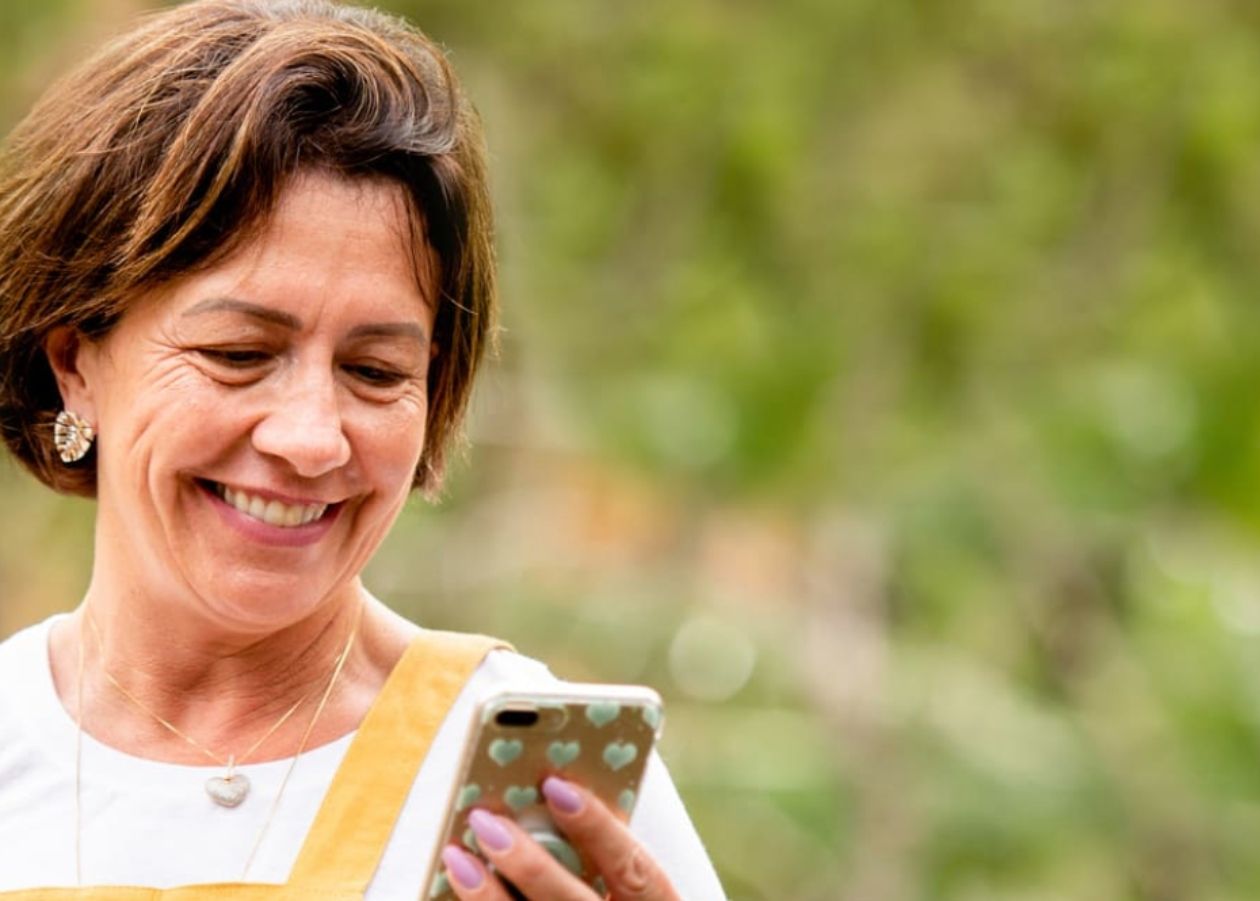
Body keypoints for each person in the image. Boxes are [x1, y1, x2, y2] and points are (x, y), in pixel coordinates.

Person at [0, 1, 725, 898]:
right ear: (74, 363)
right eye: (238, 355)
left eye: (375, 371)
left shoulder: (540, 791)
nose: (310, 438)